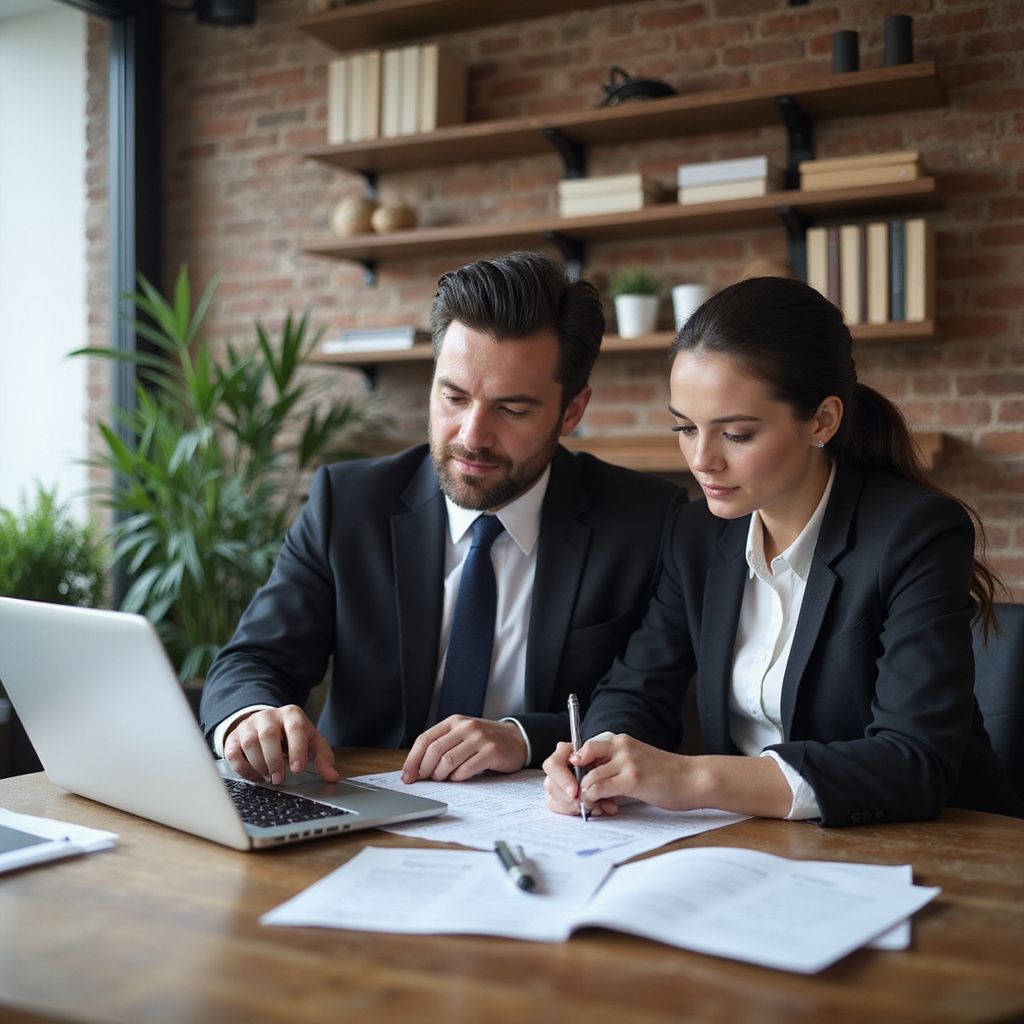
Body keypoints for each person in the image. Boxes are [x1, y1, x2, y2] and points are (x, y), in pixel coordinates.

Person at [544, 275, 1024, 826]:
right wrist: (597, 754)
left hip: (938, 845)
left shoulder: (915, 533)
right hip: (765, 848)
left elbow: (913, 760)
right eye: (685, 428)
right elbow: (638, 686)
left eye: (737, 434)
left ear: (822, 420)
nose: (701, 460)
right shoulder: (697, 534)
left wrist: (692, 778)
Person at [200, 251, 683, 789]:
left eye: (513, 410)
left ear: (571, 410)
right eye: (453, 397)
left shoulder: (645, 520)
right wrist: (250, 718)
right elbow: (254, 658)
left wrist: (521, 737)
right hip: (362, 803)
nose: (471, 435)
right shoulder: (349, 503)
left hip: (551, 820)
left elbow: (646, 704)